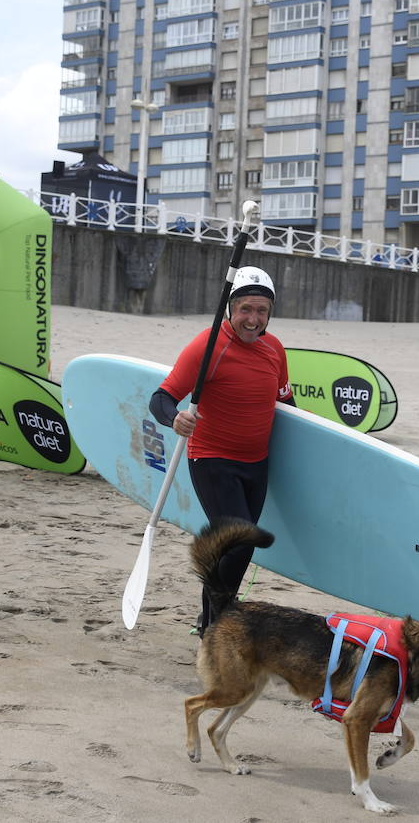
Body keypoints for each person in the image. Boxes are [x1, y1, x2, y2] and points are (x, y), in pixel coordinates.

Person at [148, 266, 293, 633]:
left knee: (235, 549)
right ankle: (219, 622)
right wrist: (174, 419)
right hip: (212, 459)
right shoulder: (207, 347)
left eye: (262, 311)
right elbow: (160, 398)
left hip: (256, 464)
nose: (253, 319)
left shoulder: (274, 348)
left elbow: (287, 402)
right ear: (230, 308)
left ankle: (210, 619)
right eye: (245, 309)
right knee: (241, 541)